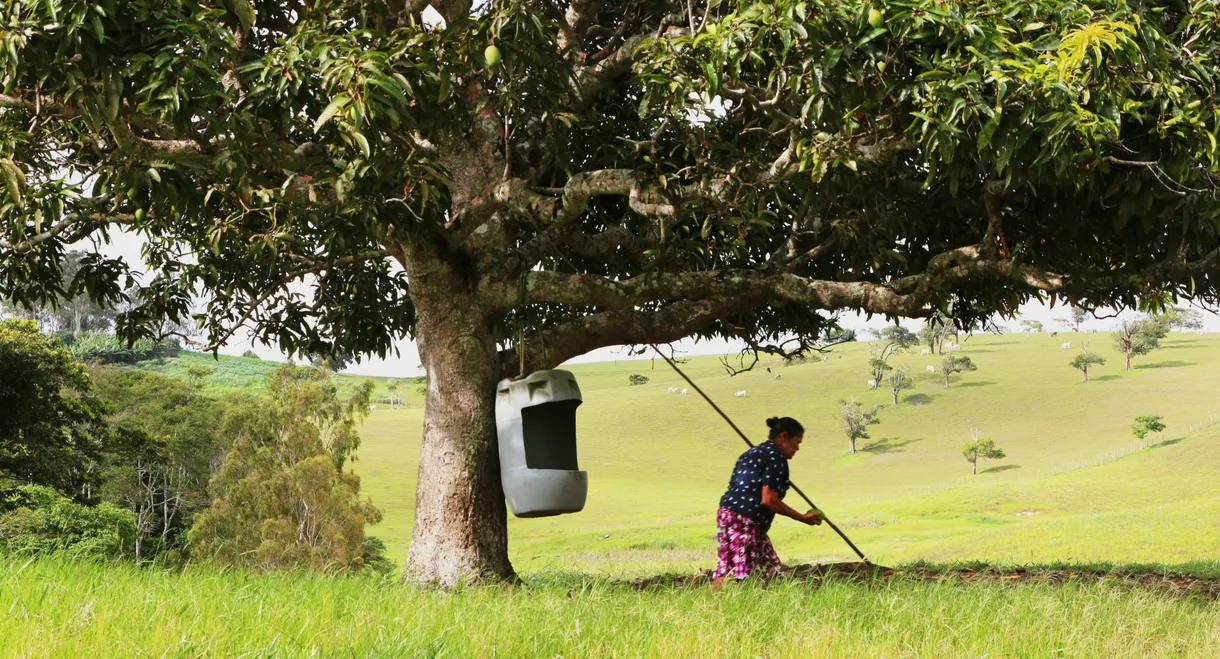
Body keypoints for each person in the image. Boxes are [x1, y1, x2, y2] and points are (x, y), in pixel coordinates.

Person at [711, 416, 822, 590]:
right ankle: (714, 608)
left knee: (771, 570)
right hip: (744, 520)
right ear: (784, 436)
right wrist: (802, 518)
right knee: (736, 575)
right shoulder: (776, 456)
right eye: (796, 442)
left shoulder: (752, 453)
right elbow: (769, 500)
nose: (797, 448)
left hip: (729, 514)